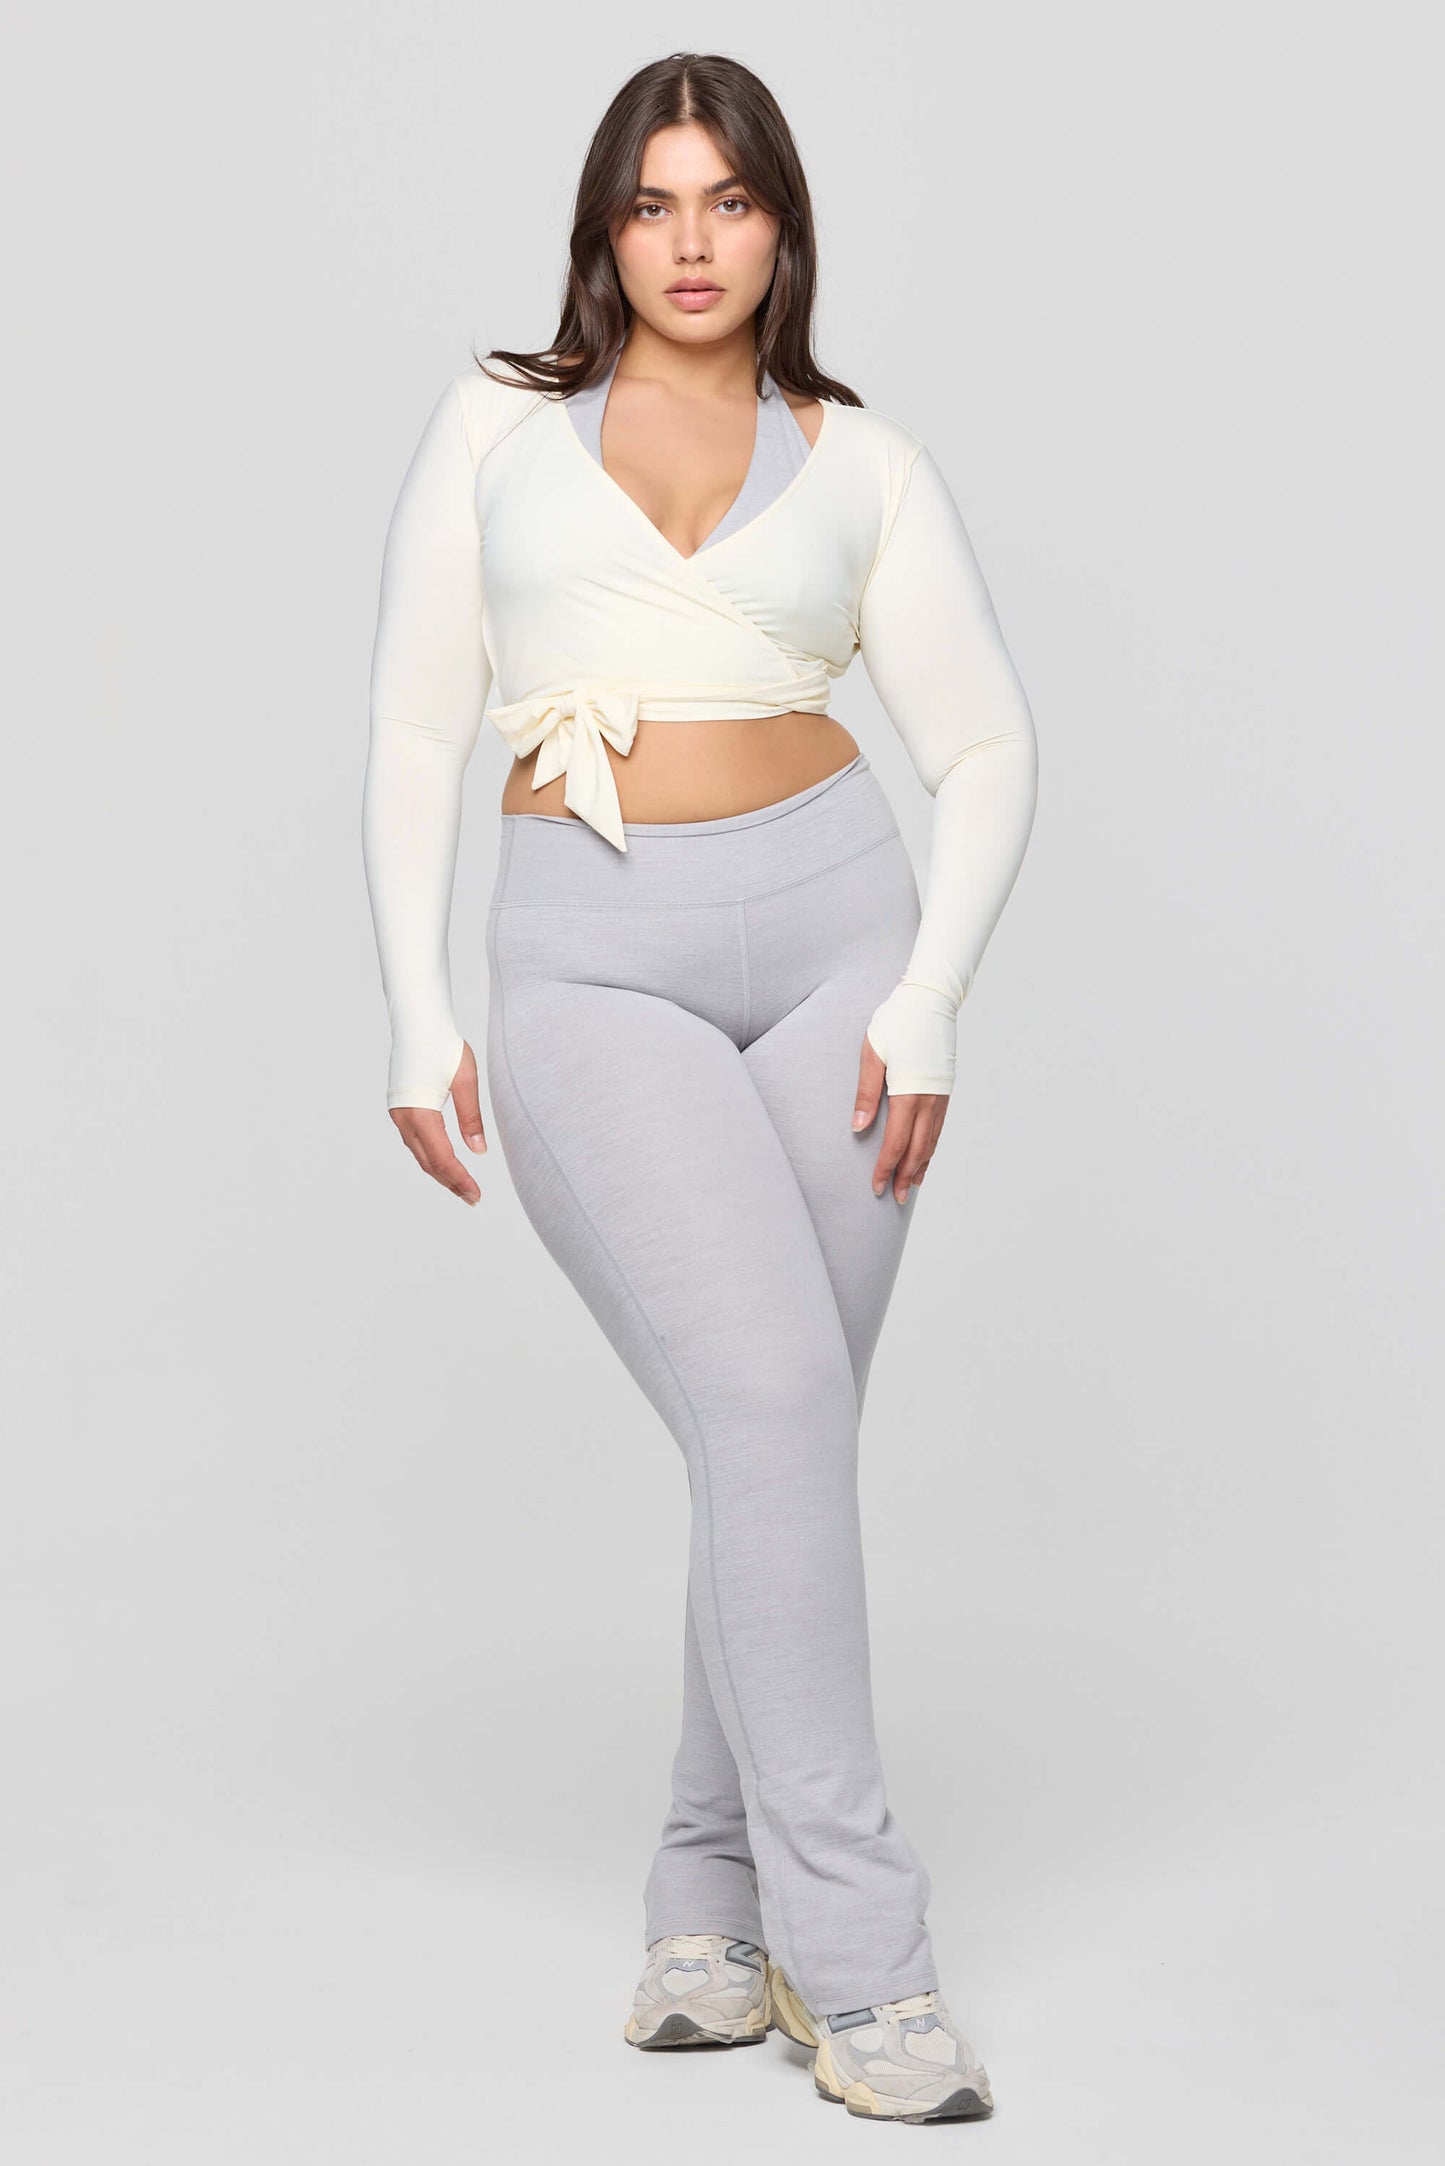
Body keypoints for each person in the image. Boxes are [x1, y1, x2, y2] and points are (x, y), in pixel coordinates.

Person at [361, 50, 1038, 2127]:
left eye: (728, 201)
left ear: (780, 228)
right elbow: (415, 731)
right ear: (603, 224)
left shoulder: (864, 460)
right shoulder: (496, 423)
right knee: (769, 1403)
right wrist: (415, 1005)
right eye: (654, 202)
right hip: (592, 953)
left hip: (840, 941)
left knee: (778, 1433)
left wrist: (927, 996)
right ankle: (867, 1960)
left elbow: (985, 746)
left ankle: (704, 1901)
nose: (689, 241)